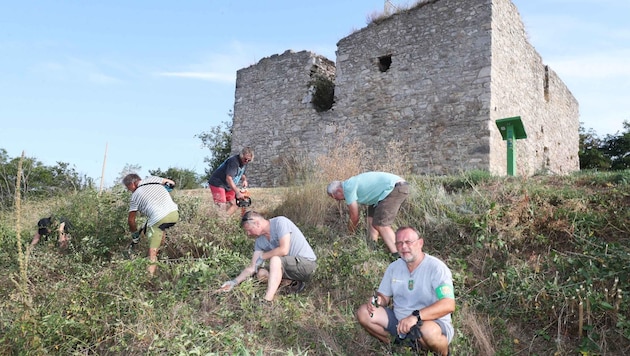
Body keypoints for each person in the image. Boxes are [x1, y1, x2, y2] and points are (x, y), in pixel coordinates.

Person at [356, 226, 455, 355]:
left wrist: (416, 317)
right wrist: (377, 300)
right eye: (399, 243)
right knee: (364, 313)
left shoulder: (437, 268)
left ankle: (441, 353)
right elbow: (384, 297)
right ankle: (401, 347)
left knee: (427, 331)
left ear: (420, 243)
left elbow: (448, 304)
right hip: (399, 321)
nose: (403, 247)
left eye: (408, 242)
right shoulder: (393, 268)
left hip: (431, 322)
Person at [218, 211, 317, 302]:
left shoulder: (280, 222)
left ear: (257, 223)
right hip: (288, 268)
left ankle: (267, 300)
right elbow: (252, 267)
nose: (248, 234)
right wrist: (234, 282)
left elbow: (284, 250)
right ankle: (292, 284)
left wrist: (264, 256)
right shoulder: (260, 241)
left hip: (306, 264)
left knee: (275, 259)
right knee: (260, 273)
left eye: (249, 230)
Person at [327, 171, 409, 257]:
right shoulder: (350, 184)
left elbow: (354, 217)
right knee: (370, 219)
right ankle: (373, 249)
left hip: (394, 188)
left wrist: (350, 234)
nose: (337, 200)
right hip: (383, 194)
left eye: (335, 197)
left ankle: (399, 255)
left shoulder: (348, 188)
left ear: (338, 191)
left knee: (381, 224)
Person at [123, 173, 179, 276]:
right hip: (174, 213)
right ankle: (164, 257)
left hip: (159, 218)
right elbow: (171, 183)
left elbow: (131, 221)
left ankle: (149, 279)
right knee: (160, 232)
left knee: (152, 253)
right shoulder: (153, 179)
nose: (129, 190)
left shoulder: (134, 196)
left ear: (132, 184)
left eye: (128, 188)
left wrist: (135, 236)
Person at [208, 147, 254, 215]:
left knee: (235, 205)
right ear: (241, 155)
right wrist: (237, 192)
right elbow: (228, 178)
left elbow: (241, 174)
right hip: (218, 183)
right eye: (245, 159)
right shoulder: (234, 162)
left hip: (228, 185)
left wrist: (244, 180)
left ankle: (224, 220)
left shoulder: (244, 163)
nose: (246, 161)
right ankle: (220, 221)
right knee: (222, 206)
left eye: (249, 160)